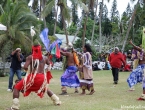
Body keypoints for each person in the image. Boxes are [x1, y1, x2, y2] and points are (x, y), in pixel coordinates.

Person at [6, 44, 61, 110]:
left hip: (33, 77)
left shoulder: (30, 57)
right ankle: (57, 100)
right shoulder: (45, 57)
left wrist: (28, 70)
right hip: (42, 77)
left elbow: (25, 67)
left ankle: (15, 106)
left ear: (33, 49)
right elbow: (50, 65)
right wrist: (47, 69)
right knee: (45, 89)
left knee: (16, 87)